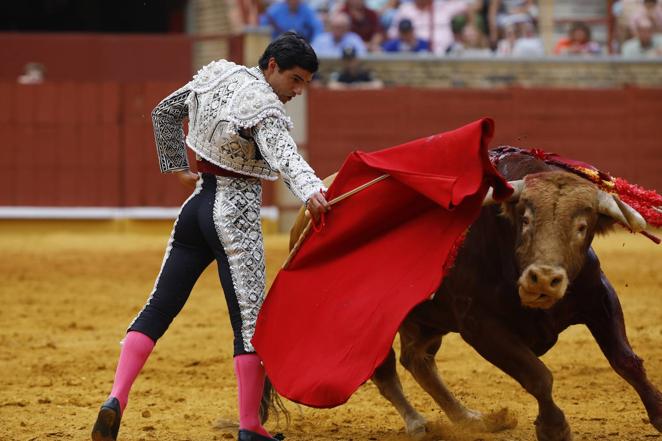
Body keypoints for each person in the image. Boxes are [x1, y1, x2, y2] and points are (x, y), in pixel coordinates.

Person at [90, 32, 330, 441]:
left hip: (196, 207)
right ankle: (250, 426)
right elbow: (285, 154)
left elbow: (164, 112)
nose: (298, 91)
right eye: (294, 79)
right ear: (271, 66)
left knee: (158, 306)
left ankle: (116, 398)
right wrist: (311, 191)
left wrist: (178, 166)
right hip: (234, 215)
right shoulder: (265, 107)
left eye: (305, 83)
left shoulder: (218, 74)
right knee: (251, 325)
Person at [259, 0, 325, 42]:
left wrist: (315, 43)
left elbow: (318, 27)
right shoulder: (275, 10)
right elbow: (262, 24)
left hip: (301, 46)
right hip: (278, 45)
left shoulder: (306, 10)